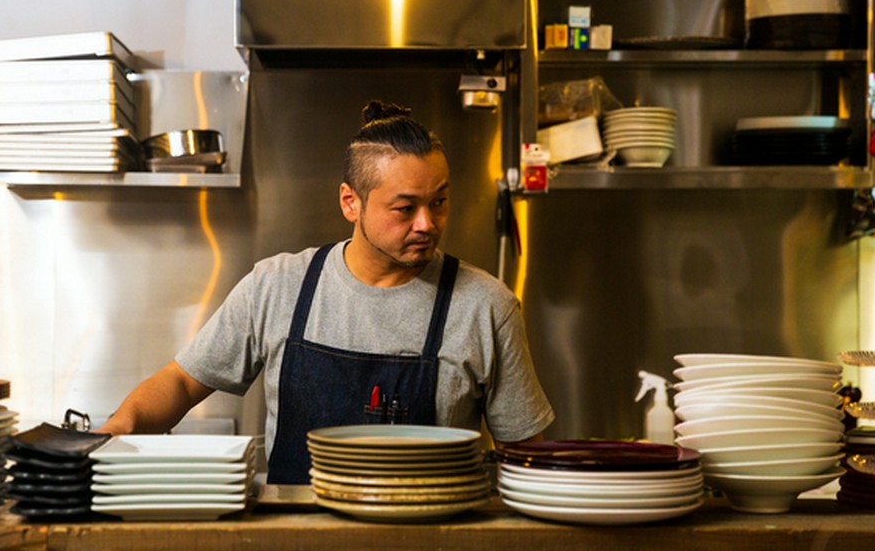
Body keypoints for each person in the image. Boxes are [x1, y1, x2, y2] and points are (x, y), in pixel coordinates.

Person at [100, 100, 554, 483]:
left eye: (439, 202)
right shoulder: (278, 286)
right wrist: (121, 427)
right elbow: (180, 382)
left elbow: (524, 458)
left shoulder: (485, 306)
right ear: (350, 202)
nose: (427, 224)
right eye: (405, 207)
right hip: (293, 550)